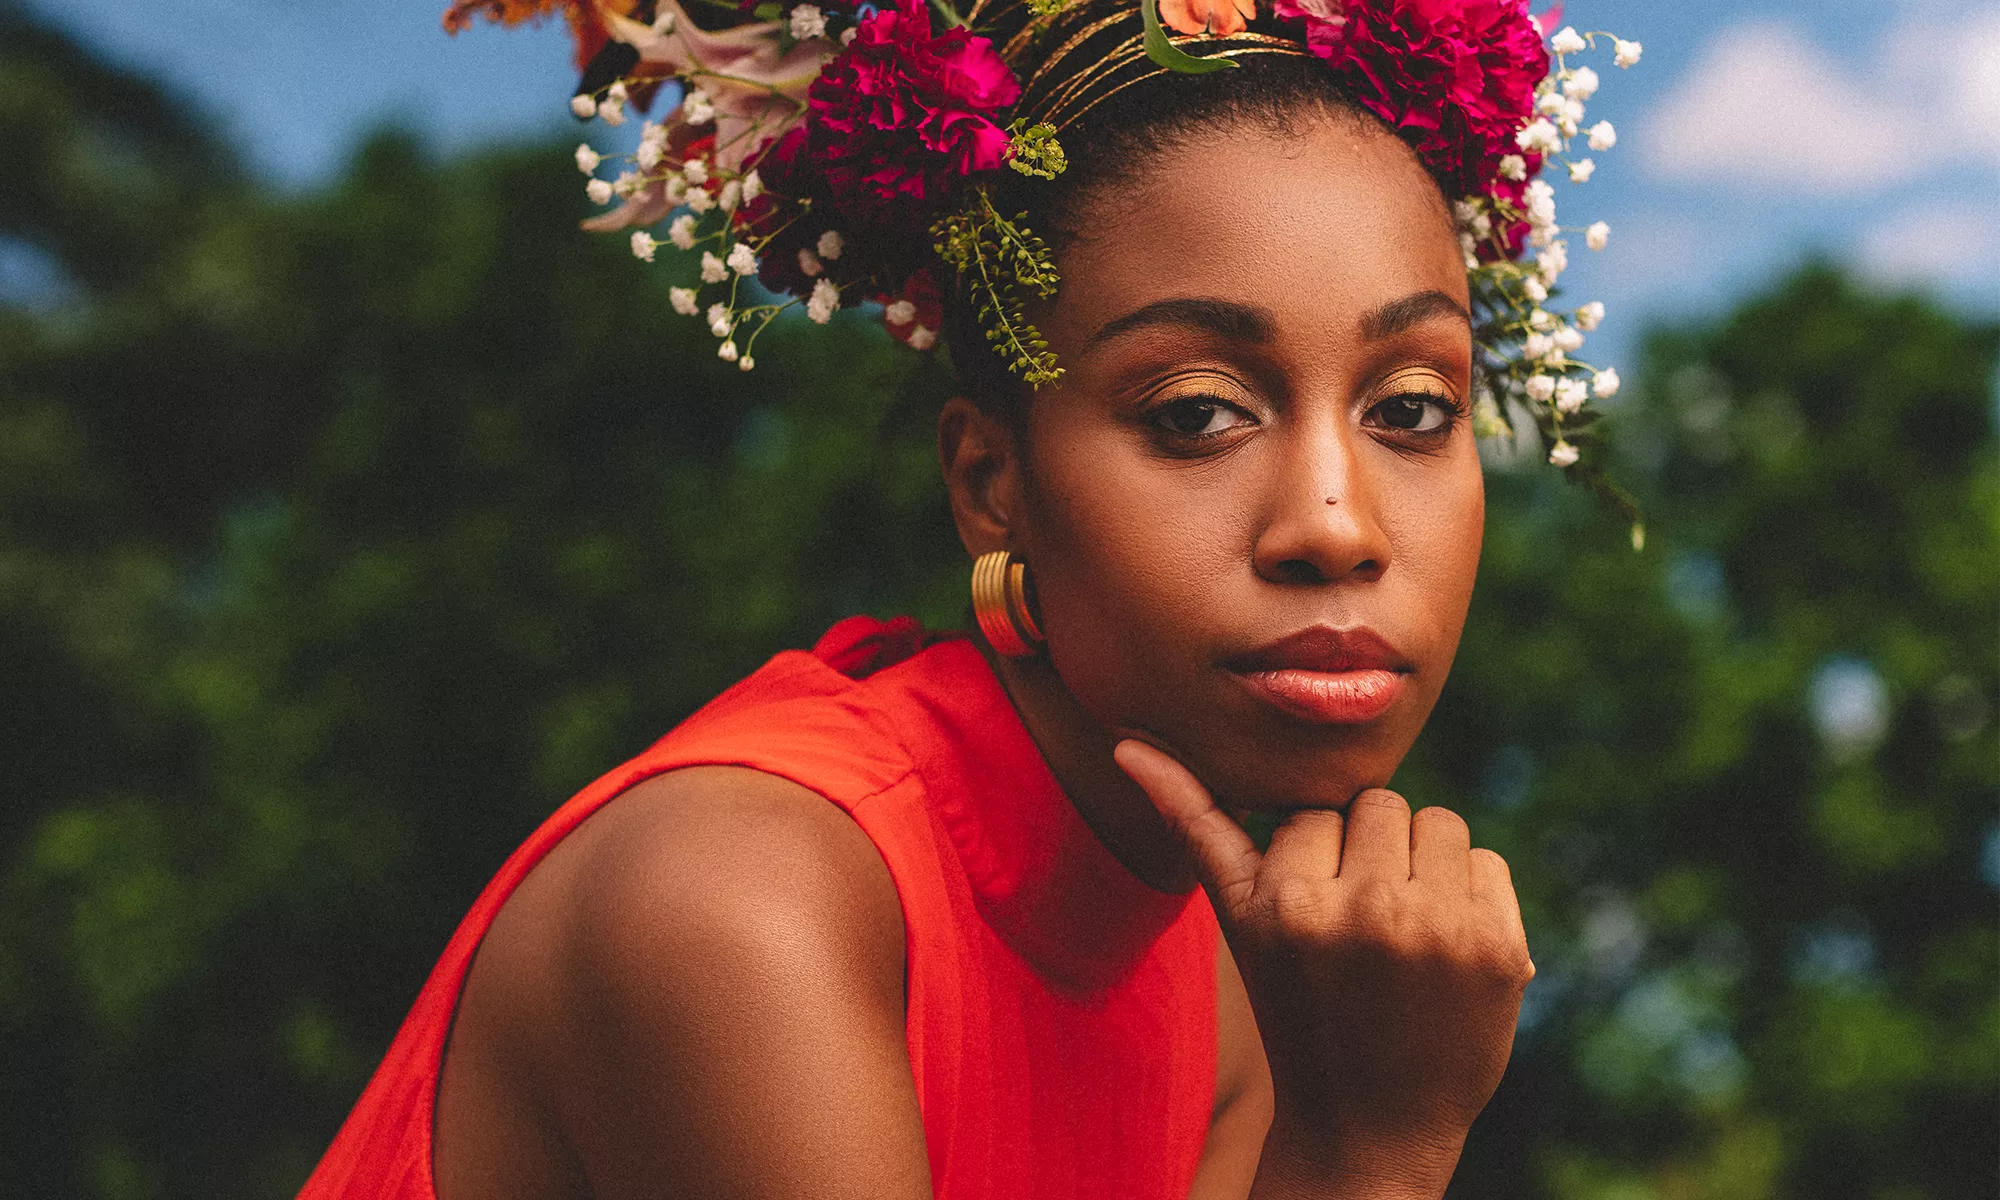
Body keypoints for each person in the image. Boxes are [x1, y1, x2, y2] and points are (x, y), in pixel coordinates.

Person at [302, 0, 1639, 1195]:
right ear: (992, 482)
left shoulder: (1231, 985)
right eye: (1197, 416)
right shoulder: (737, 909)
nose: (1334, 528)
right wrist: (1369, 1155)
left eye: (1412, 408)